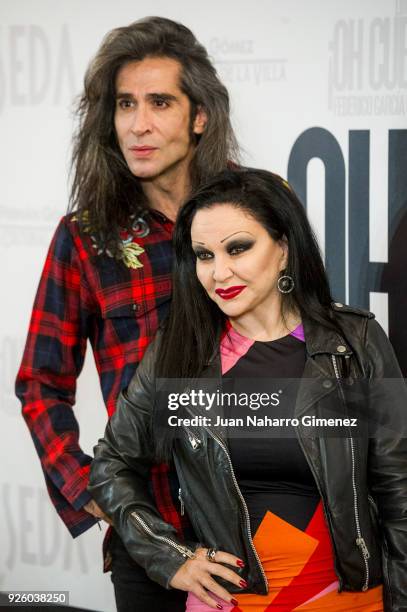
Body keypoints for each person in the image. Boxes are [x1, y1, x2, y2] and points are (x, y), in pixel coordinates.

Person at [88, 168, 407, 611]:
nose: (220, 272)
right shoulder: (179, 352)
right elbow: (111, 464)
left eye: (238, 247)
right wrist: (170, 556)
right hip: (231, 603)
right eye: (204, 255)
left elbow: (400, 491)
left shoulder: (357, 342)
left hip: (349, 600)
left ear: (283, 248)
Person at [15, 16, 239, 612]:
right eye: (124, 104)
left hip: (265, 527)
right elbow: (40, 383)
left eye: (160, 102)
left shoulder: (257, 209)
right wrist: (91, 489)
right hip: (153, 545)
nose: (138, 124)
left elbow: (311, 352)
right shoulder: (86, 237)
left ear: (199, 116)